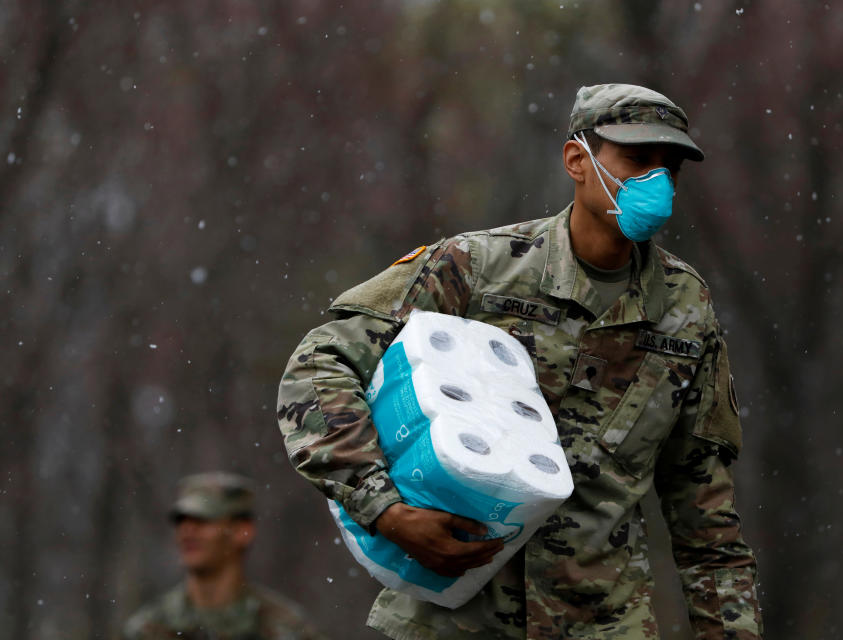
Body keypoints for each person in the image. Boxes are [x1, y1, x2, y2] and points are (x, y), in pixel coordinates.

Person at [277, 83, 762, 639]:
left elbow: (705, 513)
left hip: (603, 623)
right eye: (635, 159)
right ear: (577, 160)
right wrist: (384, 508)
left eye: (668, 166)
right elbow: (321, 362)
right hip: (455, 616)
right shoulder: (479, 269)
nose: (655, 180)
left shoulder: (684, 309)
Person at [124, 471, 325, 640]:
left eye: (202, 520)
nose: (186, 531)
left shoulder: (286, 629)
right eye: (181, 521)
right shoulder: (149, 629)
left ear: (242, 532)